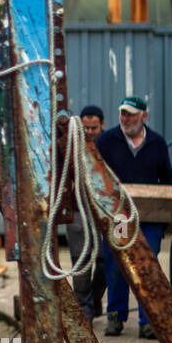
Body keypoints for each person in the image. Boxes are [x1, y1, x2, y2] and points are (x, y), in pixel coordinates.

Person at [95, 95, 172, 339]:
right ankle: (115, 316)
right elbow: (96, 176)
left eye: (131, 114)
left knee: (147, 266)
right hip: (118, 219)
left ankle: (147, 320)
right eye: (123, 113)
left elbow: (169, 175)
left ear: (144, 116)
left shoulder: (157, 143)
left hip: (150, 219)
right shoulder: (107, 141)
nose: (126, 118)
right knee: (117, 265)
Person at [64, 105, 106, 320]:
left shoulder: (108, 145)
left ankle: (95, 299)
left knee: (104, 260)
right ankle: (85, 308)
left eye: (94, 128)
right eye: (86, 127)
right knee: (80, 261)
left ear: (102, 125)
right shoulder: (72, 145)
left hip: (104, 210)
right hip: (79, 208)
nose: (90, 132)